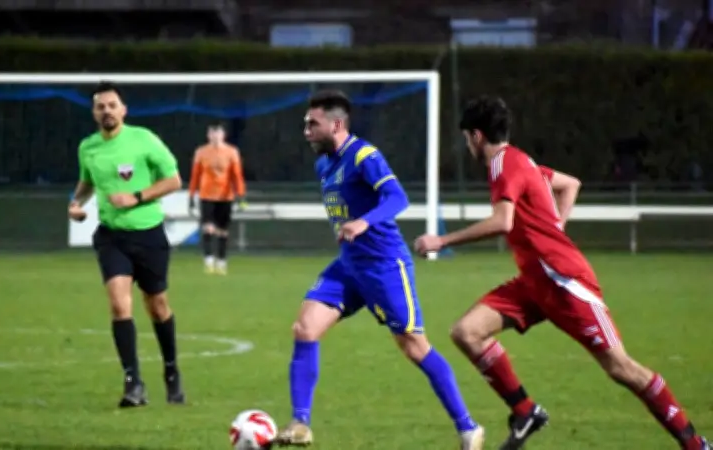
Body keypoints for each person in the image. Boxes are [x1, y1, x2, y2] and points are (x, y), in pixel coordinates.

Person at [414, 96, 710, 450]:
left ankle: (695, 444)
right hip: (536, 282)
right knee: (467, 332)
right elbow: (570, 184)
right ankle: (525, 412)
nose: (467, 146)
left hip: (565, 282)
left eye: (466, 139)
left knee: (621, 367)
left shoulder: (502, 165)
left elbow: (502, 220)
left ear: (477, 136)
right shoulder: (522, 160)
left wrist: (442, 240)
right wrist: (556, 227)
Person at [274, 90, 484, 449]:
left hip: (385, 265)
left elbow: (398, 197)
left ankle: (468, 428)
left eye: (313, 124)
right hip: (349, 266)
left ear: (336, 124)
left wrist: (363, 223)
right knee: (305, 328)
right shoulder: (324, 164)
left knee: (414, 347)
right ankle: (301, 423)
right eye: (305, 124)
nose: (306, 130)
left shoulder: (364, 155)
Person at [68, 82, 185, 408]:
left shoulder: (144, 139)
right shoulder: (88, 147)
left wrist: (135, 197)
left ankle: (172, 371)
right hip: (111, 237)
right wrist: (75, 202)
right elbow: (87, 181)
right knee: (120, 305)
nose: (106, 111)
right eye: (100, 106)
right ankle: (133, 383)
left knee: (157, 306)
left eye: (111, 105)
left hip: (148, 235)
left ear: (123, 109)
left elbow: (174, 180)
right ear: (94, 113)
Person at [188, 122, 246, 275]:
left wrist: (240, 194)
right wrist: (191, 195)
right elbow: (195, 175)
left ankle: (221, 261)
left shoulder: (232, 152)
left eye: (218, 132)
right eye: (212, 133)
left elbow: (237, 175)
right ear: (208, 135)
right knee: (208, 228)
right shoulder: (201, 152)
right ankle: (208, 260)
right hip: (206, 195)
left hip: (225, 196)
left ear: (223, 134)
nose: (215, 136)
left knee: (222, 231)